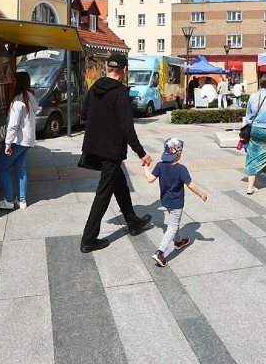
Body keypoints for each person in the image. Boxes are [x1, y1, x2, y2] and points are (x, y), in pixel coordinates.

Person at [80, 52, 153, 253]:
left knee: (119, 183)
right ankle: (89, 239)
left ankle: (133, 222)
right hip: (111, 150)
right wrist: (141, 153)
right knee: (103, 194)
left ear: (108, 68)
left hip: (94, 147)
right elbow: (127, 128)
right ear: (124, 70)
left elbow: (84, 114)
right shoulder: (120, 93)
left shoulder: (95, 87)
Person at [142, 138, 208, 267]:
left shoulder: (160, 165)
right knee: (172, 226)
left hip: (165, 201)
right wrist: (201, 193)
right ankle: (160, 252)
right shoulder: (181, 169)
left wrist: (145, 167)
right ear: (178, 154)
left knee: (174, 222)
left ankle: (178, 241)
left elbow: (150, 179)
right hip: (176, 203)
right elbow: (190, 184)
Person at [0, 71, 37, 210]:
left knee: (2, 168)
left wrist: (7, 144)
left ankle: (9, 200)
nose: (10, 82)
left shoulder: (17, 101)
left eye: (12, 79)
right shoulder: (30, 97)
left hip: (17, 141)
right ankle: (22, 200)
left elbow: (13, 125)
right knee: (20, 169)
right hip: (27, 141)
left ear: (17, 82)